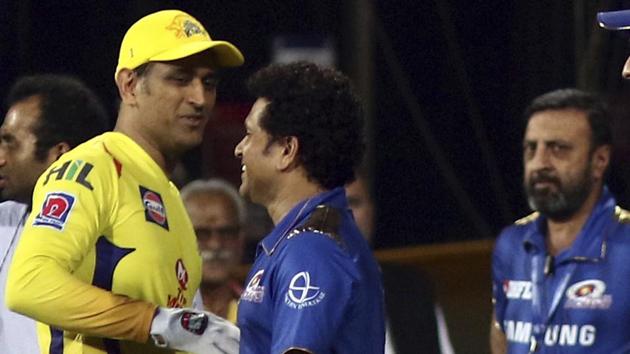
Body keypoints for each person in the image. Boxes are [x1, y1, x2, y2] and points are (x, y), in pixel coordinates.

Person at [6, 9, 244, 354]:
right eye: (180, 78)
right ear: (130, 85)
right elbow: (28, 284)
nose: (199, 98)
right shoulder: (92, 167)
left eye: (208, 82)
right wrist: (155, 322)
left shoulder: (173, 199)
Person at [234, 61, 385, 354]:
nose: (239, 148)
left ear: (286, 151)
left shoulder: (310, 250)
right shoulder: (308, 239)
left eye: (250, 134)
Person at [490, 88, 630, 353]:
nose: (540, 162)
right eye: (531, 148)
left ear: (600, 160)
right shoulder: (511, 244)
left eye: (558, 149)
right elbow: (500, 331)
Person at [0, 74, 109, 353]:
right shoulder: (5, 221)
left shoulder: (123, 232)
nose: (1, 157)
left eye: (10, 143)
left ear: (60, 155)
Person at [345, 170, 455, 354]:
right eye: (332, 206)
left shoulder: (412, 287)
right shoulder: (295, 297)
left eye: (353, 203)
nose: (345, 215)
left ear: (371, 212)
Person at [181, 178, 246, 323]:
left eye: (226, 233)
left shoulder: (263, 312)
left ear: (240, 239)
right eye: (201, 234)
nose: (215, 244)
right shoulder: (160, 312)